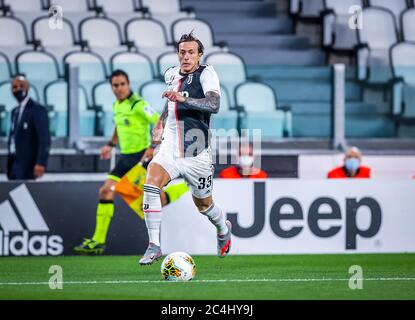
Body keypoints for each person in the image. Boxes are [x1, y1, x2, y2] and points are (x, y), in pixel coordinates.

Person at [139, 32, 232, 265]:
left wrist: (183, 99)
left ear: (200, 55)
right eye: (182, 52)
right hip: (170, 147)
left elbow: (214, 104)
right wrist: (159, 126)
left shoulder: (206, 73)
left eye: (191, 52)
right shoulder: (171, 73)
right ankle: (154, 245)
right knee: (151, 184)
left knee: (204, 206)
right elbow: (169, 103)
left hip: (196, 152)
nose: (186, 56)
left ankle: (223, 228)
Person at [74, 70, 188, 255]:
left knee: (154, 200)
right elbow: (119, 126)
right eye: (115, 85)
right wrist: (110, 144)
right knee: (105, 191)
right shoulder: (117, 105)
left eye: (122, 84)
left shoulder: (139, 105)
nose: (118, 88)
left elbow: (161, 122)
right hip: (125, 158)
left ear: (128, 85)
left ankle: (183, 187)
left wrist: (153, 146)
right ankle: (98, 241)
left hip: (141, 157)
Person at [7, 75, 51, 180]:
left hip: (29, 166)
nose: (18, 89)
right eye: (15, 87)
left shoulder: (37, 109)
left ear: (27, 87)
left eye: (21, 86)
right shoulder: (14, 111)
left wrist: (41, 162)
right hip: (14, 164)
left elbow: (44, 139)